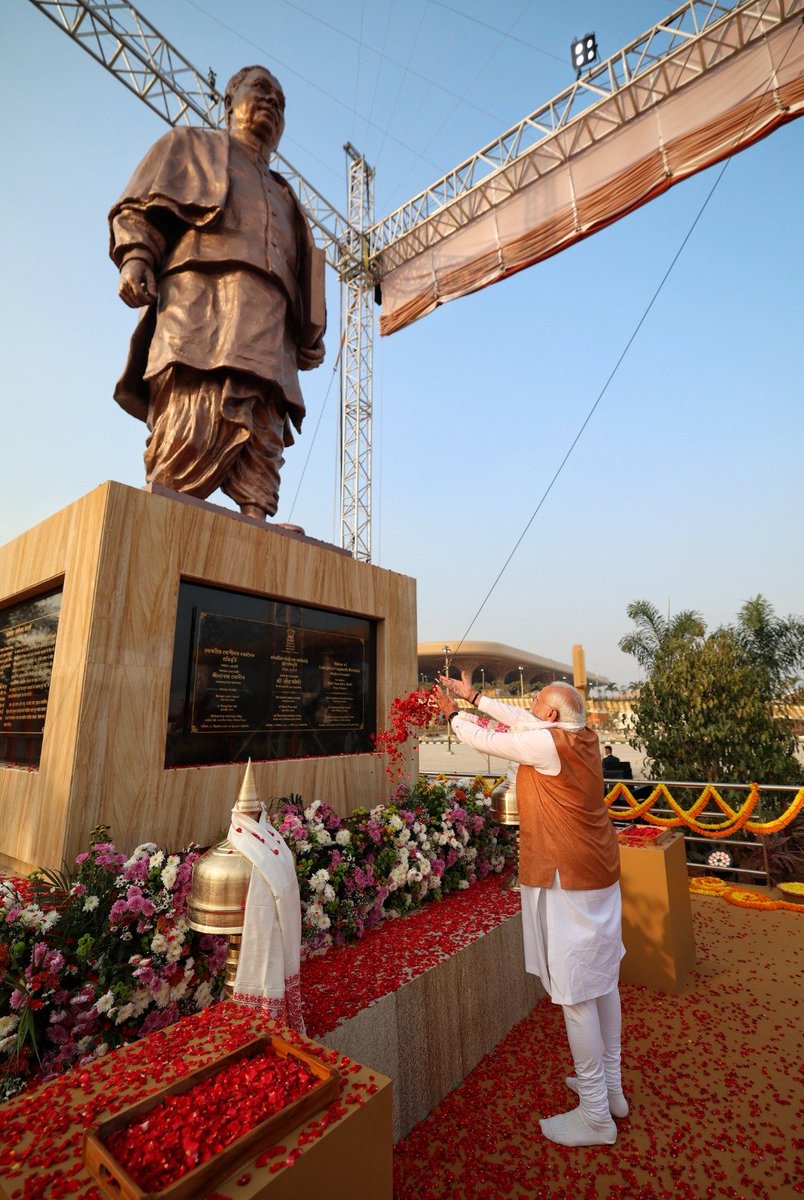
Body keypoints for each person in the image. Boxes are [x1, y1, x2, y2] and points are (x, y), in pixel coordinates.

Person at [109, 65, 326, 520]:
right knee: (194, 412)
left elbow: (301, 271)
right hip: (201, 307)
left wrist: (307, 333)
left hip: (270, 328)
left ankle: (255, 517)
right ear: (229, 102)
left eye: (281, 102)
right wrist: (136, 256)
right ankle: (165, 508)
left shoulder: (287, 196)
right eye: (261, 89)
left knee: (263, 426)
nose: (271, 102)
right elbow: (139, 206)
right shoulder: (192, 146)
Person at [435, 671, 628, 1147]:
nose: (532, 709)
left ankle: (596, 1115)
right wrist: (474, 696)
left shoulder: (548, 746)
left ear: (552, 716)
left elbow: (492, 739)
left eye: (539, 704)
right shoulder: (581, 735)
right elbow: (521, 719)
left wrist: (455, 716)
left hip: (570, 880)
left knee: (577, 992)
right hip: (598, 874)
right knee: (603, 982)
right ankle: (610, 1087)